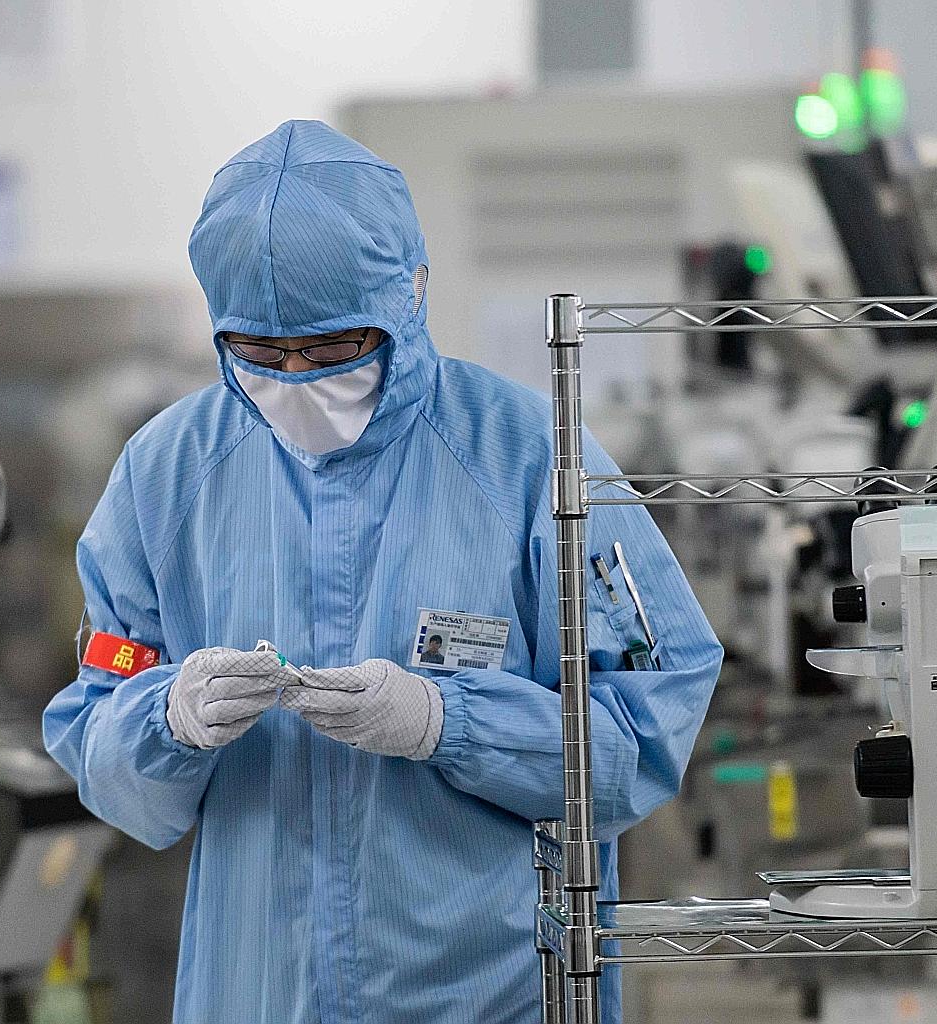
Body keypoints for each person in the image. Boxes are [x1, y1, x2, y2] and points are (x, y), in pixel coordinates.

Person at [43, 119, 723, 1024]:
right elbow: (100, 738)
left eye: (330, 351)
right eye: (259, 353)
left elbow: (646, 728)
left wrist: (448, 722)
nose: (296, 379)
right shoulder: (168, 474)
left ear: (411, 295)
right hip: (255, 993)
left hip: (487, 993)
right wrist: (166, 718)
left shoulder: (529, 456)